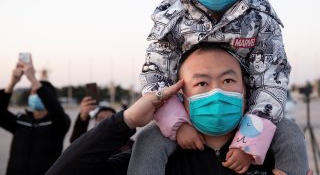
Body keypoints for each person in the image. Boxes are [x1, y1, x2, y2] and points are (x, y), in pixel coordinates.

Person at [45, 43, 311, 175]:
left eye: (228, 80)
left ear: (247, 91)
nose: (216, 91)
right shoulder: (152, 159)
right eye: (201, 83)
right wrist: (125, 121)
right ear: (180, 94)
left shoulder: (272, 158)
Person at [137, 0, 292, 173]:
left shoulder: (260, 19)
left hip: (245, 111)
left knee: (290, 133)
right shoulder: (173, 19)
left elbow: (272, 78)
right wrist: (178, 124)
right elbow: (155, 74)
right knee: (148, 139)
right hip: (189, 111)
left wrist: (249, 142)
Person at [0, 55, 70, 175]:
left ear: (49, 97)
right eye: (32, 93)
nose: (34, 95)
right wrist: (12, 82)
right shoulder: (20, 120)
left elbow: (57, 113)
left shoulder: (58, 123)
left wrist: (33, 79)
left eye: (38, 93)